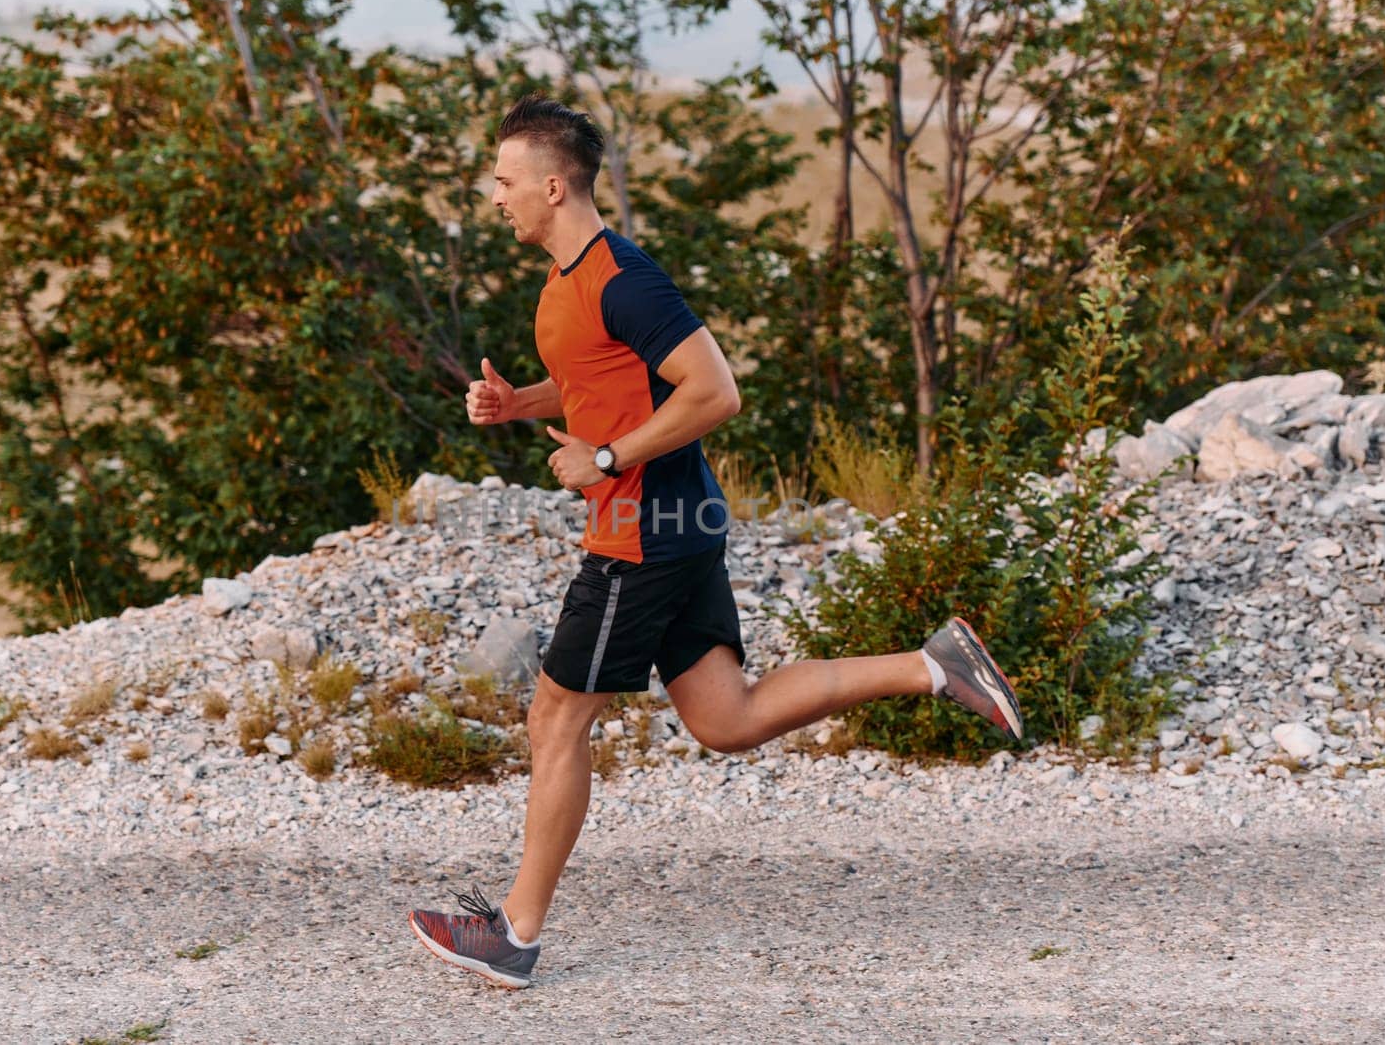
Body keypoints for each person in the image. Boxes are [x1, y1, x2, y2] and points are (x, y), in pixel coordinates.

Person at [406, 94, 1022, 989]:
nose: (493, 195)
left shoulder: (627, 278)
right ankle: (933, 664)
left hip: (641, 532)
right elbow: (598, 378)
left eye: (502, 180)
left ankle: (516, 932)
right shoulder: (568, 279)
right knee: (724, 717)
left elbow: (714, 390)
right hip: (677, 524)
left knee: (556, 714)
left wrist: (607, 457)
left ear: (550, 184)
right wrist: (521, 403)